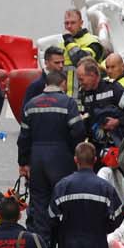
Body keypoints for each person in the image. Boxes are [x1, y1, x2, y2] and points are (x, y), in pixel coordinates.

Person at [18, 68, 86, 236]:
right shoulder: (68, 103)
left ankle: (42, 244)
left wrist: (23, 162)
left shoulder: (31, 104)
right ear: (62, 84)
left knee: (39, 202)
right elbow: (78, 131)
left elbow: (23, 137)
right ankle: (61, 241)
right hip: (61, 157)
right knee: (63, 199)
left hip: (37, 158)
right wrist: (73, 153)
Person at [75, 60, 124, 150]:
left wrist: (118, 122)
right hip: (95, 145)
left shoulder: (113, 89)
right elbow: (80, 118)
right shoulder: (82, 94)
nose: (80, 83)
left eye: (81, 79)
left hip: (117, 144)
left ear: (93, 76)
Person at [60, 9, 105, 83]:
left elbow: (82, 60)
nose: (69, 26)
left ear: (81, 23)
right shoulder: (62, 44)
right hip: (66, 92)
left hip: (85, 90)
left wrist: (69, 42)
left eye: (73, 23)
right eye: (66, 23)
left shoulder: (92, 42)